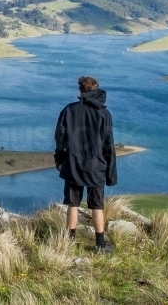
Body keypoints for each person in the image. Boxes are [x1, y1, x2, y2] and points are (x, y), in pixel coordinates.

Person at [54, 75, 117, 253]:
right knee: (97, 205)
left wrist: (60, 159)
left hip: (73, 163)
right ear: (96, 90)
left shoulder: (69, 110)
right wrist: (110, 174)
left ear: (80, 91)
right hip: (96, 166)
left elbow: (60, 138)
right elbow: (108, 145)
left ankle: (69, 242)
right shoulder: (104, 114)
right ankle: (100, 245)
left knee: (72, 204)